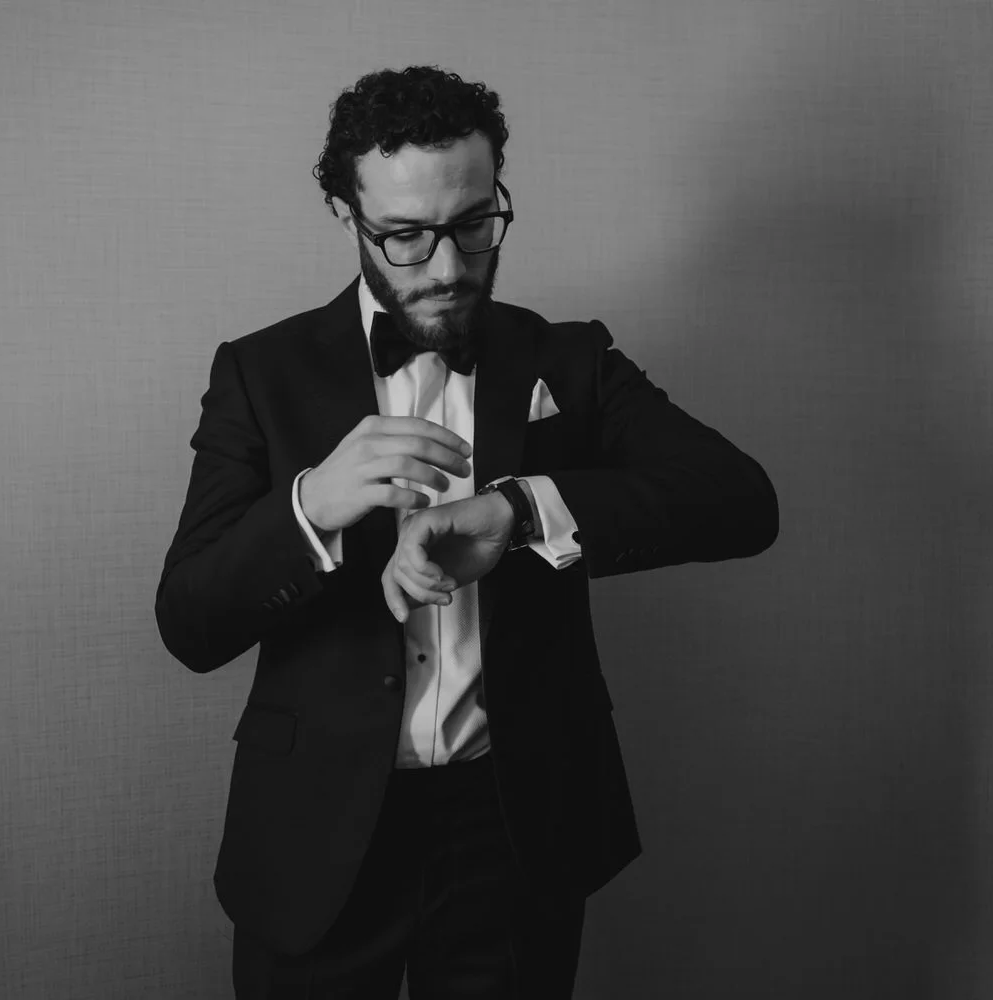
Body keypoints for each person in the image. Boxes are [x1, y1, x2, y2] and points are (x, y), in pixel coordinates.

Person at [154, 65, 778, 999]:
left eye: (474, 224)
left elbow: (741, 500)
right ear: (344, 213)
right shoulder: (258, 373)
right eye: (404, 236)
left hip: (512, 825)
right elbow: (189, 623)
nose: (447, 266)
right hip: (316, 833)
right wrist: (311, 506)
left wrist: (524, 509)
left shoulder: (568, 358)